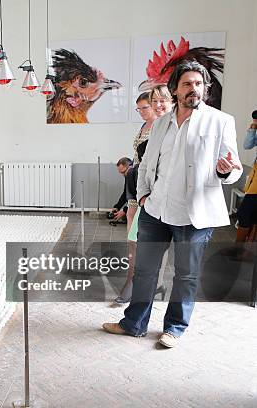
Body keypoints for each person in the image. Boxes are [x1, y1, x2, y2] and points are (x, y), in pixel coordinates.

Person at [103, 61, 243, 348]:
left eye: (199, 84)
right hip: (156, 211)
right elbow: (145, 166)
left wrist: (225, 170)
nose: (194, 89)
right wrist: (142, 196)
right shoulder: (162, 123)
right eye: (187, 84)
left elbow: (234, 169)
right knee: (144, 271)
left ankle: (175, 327)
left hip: (194, 215)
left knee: (186, 275)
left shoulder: (220, 121)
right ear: (176, 90)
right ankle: (134, 323)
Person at [115, 87, 174, 304]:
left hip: (154, 187)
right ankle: (135, 279)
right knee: (133, 233)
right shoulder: (146, 126)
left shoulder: (166, 126)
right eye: (139, 109)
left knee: (150, 236)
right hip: (137, 183)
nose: (143, 111)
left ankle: (144, 282)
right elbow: (137, 158)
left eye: (145, 108)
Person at [235, 110, 257, 241]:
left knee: (244, 213)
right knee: (250, 215)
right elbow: (247, 145)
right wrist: (254, 126)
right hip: (255, 175)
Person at [110, 158, 133, 224]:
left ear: (130, 166)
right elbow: (126, 193)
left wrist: (124, 210)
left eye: (123, 172)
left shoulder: (134, 175)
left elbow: (135, 197)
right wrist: (117, 206)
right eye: (121, 173)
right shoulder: (127, 176)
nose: (123, 175)